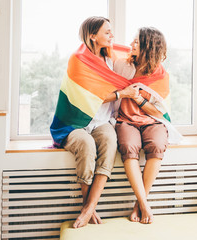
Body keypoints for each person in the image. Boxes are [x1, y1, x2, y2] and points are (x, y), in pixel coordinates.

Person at [50, 16, 138, 228]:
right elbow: (87, 97)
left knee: (110, 143)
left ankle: (90, 206)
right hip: (74, 122)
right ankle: (87, 205)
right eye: (107, 32)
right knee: (87, 146)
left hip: (101, 121)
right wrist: (121, 94)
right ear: (92, 36)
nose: (112, 36)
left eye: (111, 31)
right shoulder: (78, 60)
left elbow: (135, 64)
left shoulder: (110, 60)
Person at [114, 27, 181, 224]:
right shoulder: (122, 66)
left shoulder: (160, 75)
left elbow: (159, 112)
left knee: (158, 145)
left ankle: (139, 204)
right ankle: (145, 205)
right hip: (126, 119)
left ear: (147, 47)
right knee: (128, 147)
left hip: (152, 121)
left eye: (136, 42)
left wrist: (139, 99)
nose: (131, 45)